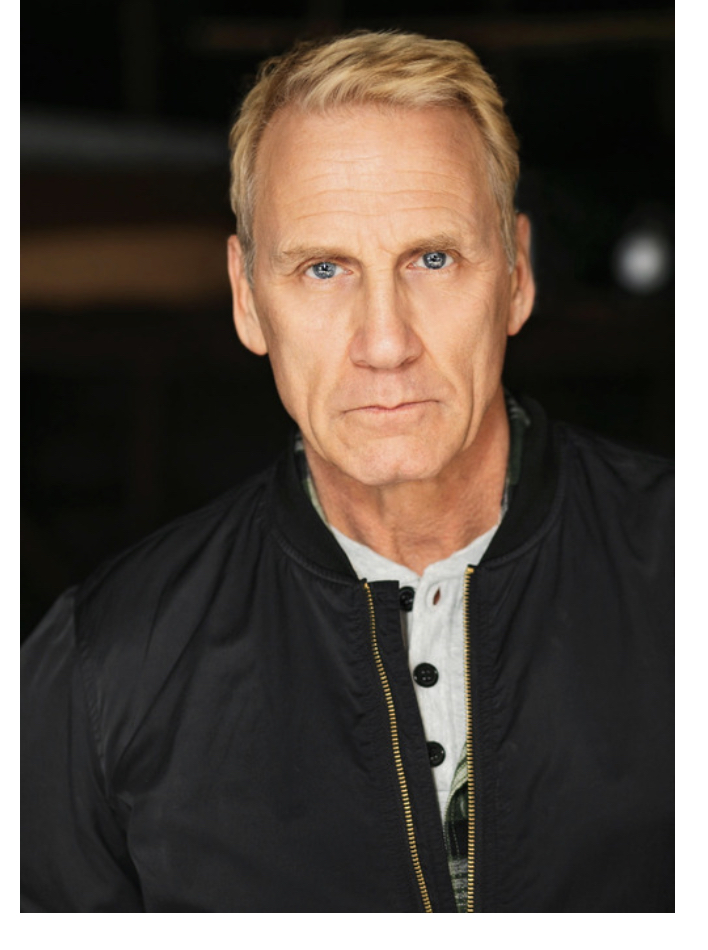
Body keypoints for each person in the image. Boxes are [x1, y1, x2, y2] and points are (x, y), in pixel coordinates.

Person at [21, 30, 673, 913]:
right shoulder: (105, 662)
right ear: (248, 298)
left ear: (517, 275)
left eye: (433, 259)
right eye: (323, 268)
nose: (385, 343)